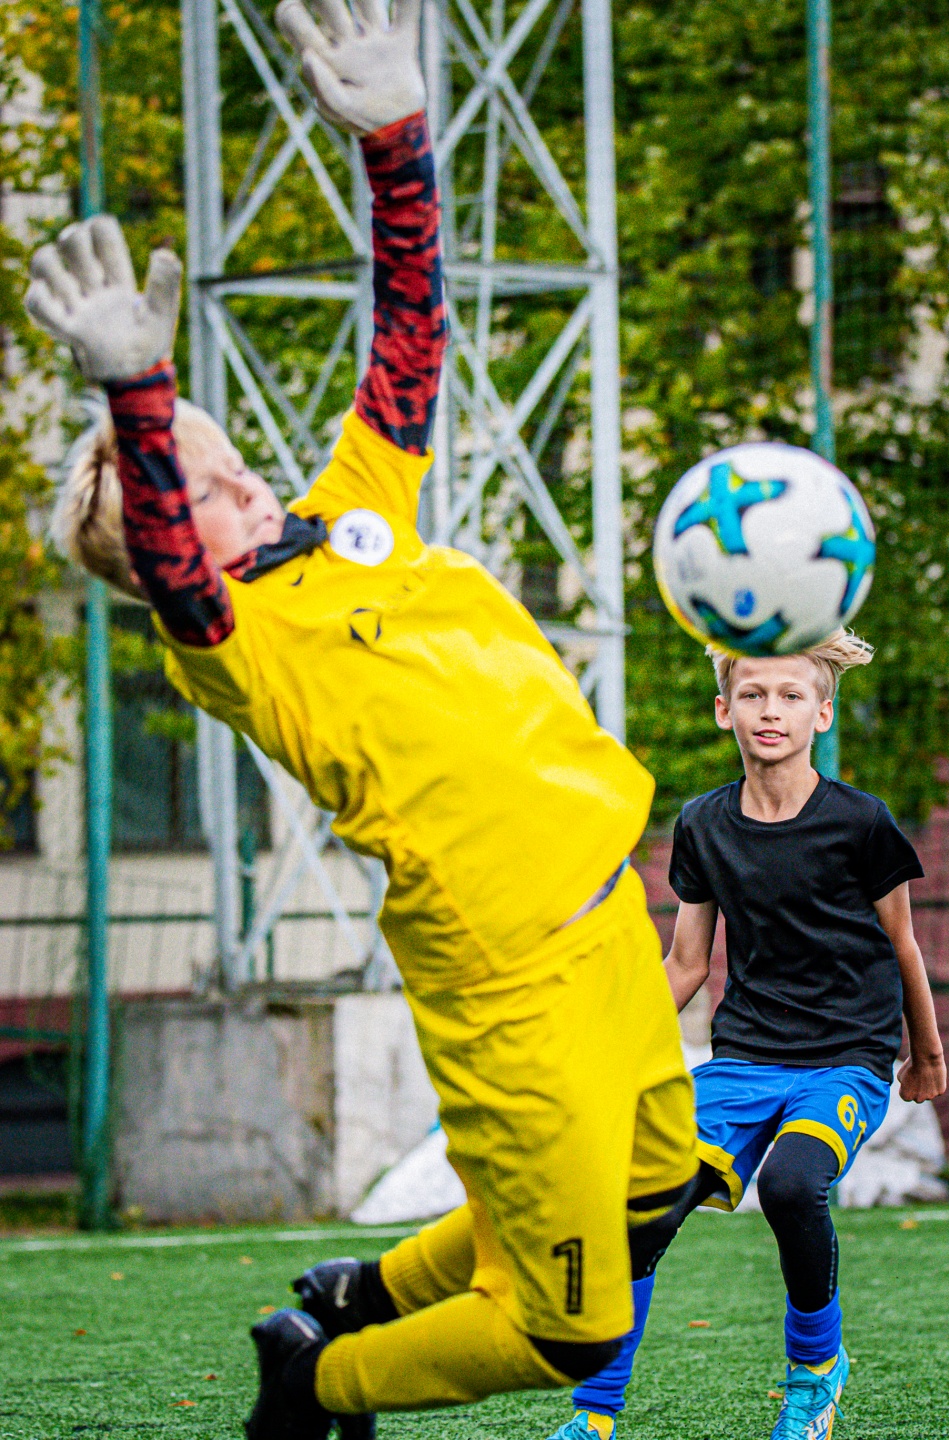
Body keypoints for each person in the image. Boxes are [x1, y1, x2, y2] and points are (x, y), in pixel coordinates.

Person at [25, 1, 699, 1434]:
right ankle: (316, 1380)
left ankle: (361, 1292)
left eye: (216, 457)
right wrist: (137, 394)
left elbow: (408, 340)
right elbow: (178, 559)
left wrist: (398, 139)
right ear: (165, 555)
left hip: (606, 917)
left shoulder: (349, 513)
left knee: (654, 1200)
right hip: (507, 979)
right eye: (191, 490)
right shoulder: (233, 649)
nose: (231, 483)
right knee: (570, 1330)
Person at [541, 632, 947, 1440]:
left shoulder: (861, 822)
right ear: (725, 709)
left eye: (791, 696)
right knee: (642, 1204)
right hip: (744, 1061)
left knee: (791, 1186)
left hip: (845, 1062)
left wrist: (926, 1057)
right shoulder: (702, 824)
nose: (771, 711)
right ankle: (594, 1414)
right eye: (754, 694)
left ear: (821, 713)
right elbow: (687, 962)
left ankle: (816, 1374)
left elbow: (903, 944)